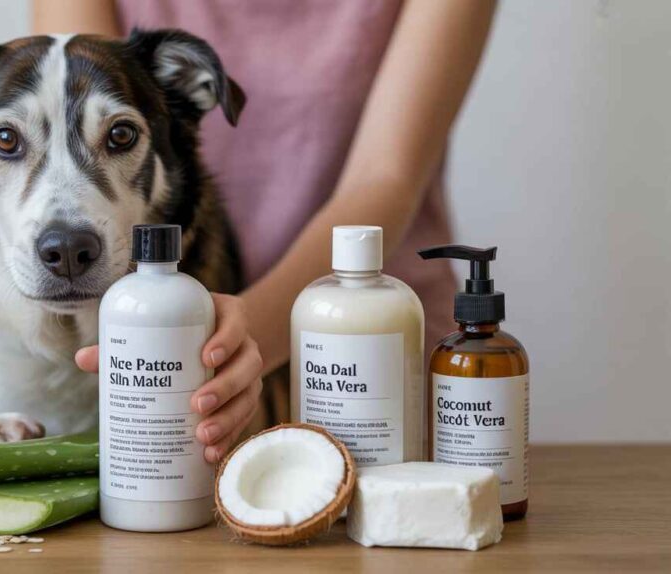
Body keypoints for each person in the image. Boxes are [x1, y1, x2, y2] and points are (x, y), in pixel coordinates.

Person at [38, 0, 496, 461]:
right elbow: (74, 163)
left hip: (364, 364)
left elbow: (384, 179)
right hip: (177, 366)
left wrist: (230, 344)